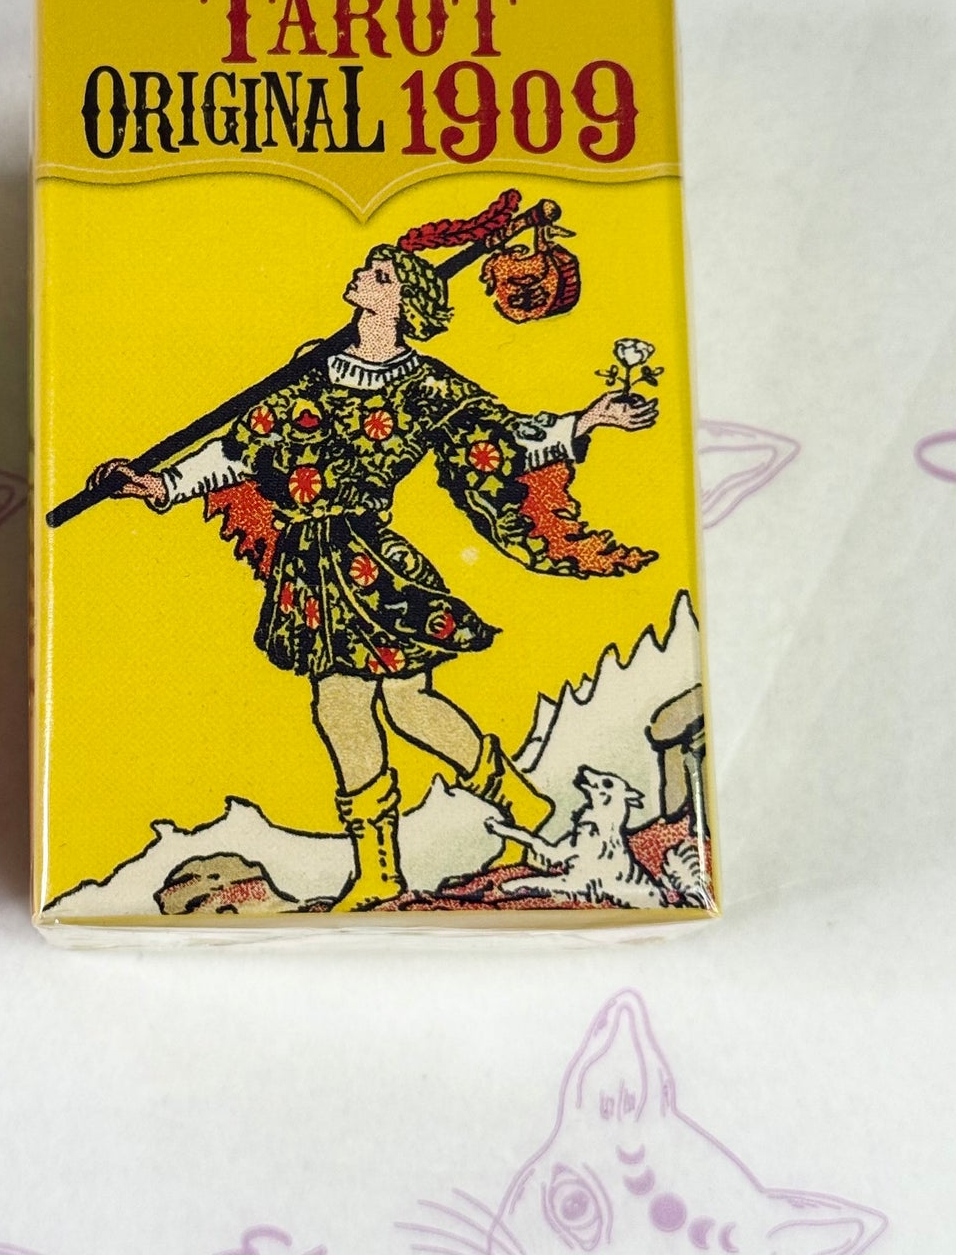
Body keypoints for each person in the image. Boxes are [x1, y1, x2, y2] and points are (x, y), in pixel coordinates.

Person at [91, 244, 656, 910]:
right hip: (307, 561)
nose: (362, 274)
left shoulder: (428, 387)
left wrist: (585, 421)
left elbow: (503, 440)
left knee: (353, 706)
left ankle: (387, 870)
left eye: (381, 274)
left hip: (364, 558)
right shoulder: (310, 369)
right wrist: (157, 484)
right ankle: (517, 807)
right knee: (395, 704)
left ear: (403, 303)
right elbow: (240, 451)